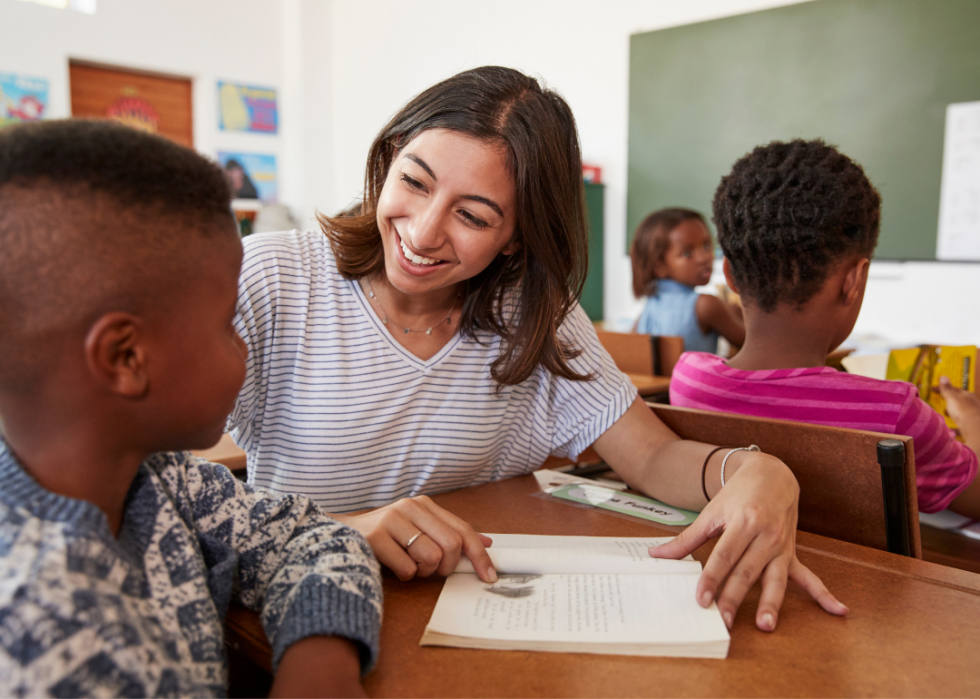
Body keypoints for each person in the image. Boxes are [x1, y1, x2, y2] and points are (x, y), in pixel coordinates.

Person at [229, 66, 847, 632]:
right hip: (300, 617)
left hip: (471, 622)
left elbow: (654, 457)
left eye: (472, 217)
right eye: (414, 182)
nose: (421, 232)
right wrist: (342, 531)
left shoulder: (535, 312)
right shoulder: (271, 277)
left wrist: (754, 468)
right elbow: (151, 489)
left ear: (515, 238)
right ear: (390, 156)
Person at [0, 120, 382, 697]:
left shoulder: (160, 480)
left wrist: (317, 666)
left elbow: (313, 536)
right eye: (227, 321)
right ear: (126, 356)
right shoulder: (36, 633)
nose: (244, 345)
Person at [670, 138, 980, 519]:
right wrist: (972, 416)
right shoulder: (894, 414)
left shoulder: (689, 380)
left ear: (730, 276)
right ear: (853, 280)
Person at [629, 207, 744, 353]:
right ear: (660, 267)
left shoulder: (650, 306)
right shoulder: (705, 304)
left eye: (706, 245)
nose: (704, 258)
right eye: (687, 253)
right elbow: (755, 347)